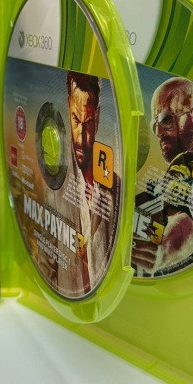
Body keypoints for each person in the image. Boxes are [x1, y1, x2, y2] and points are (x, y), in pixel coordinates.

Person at [132, 76, 193, 276]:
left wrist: (163, 253)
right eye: (154, 124)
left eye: (166, 119)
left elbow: (185, 220)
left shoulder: (190, 163)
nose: (158, 133)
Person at [48, 71, 118, 297]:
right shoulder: (55, 183)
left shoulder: (116, 188)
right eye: (75, 120)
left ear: (97, 116)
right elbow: (47, 264)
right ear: (68, 105)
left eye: (88, 123)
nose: (81, 136)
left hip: (106, 302)